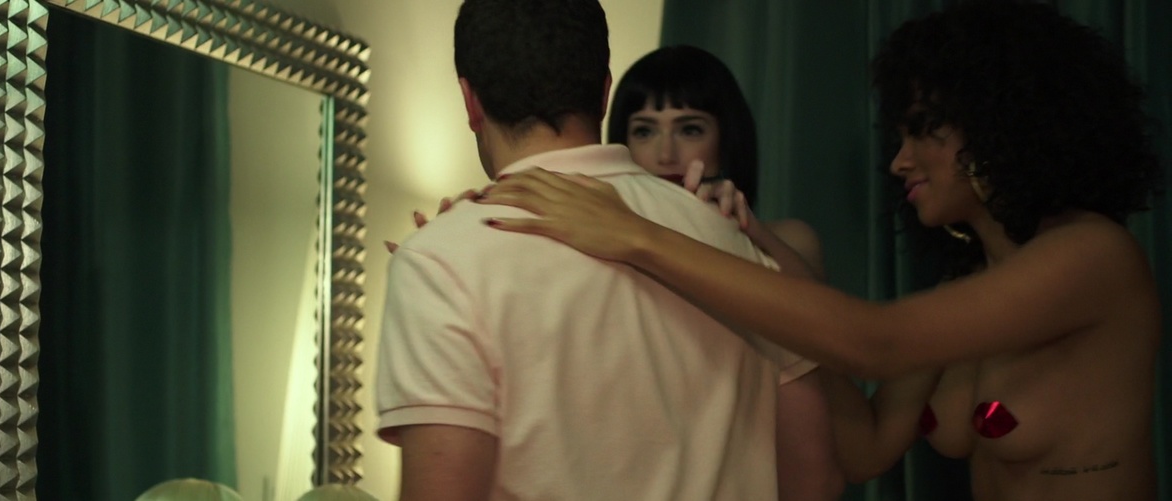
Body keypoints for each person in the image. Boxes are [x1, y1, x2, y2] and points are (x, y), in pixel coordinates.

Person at [475, 1, 1164, 500]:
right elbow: (864, 448)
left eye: (921, 129)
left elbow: (876, 343)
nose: (899, 160)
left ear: (997, 122)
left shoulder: (1093, 257)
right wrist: (753, 241)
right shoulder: (969, 292)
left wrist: (638, 234)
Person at [374, 0, 843, 500]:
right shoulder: (727, 236)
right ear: (603, 92)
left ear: (470, 101)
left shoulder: (443, 261)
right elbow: (814, 479)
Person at [607, 44, 824, 280]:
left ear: (727, 138)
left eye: (690, 130)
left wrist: (747, 228)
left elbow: (817, 303)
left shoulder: (791, 239)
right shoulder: (606, 235)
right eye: (644, 132)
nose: (666, 155)